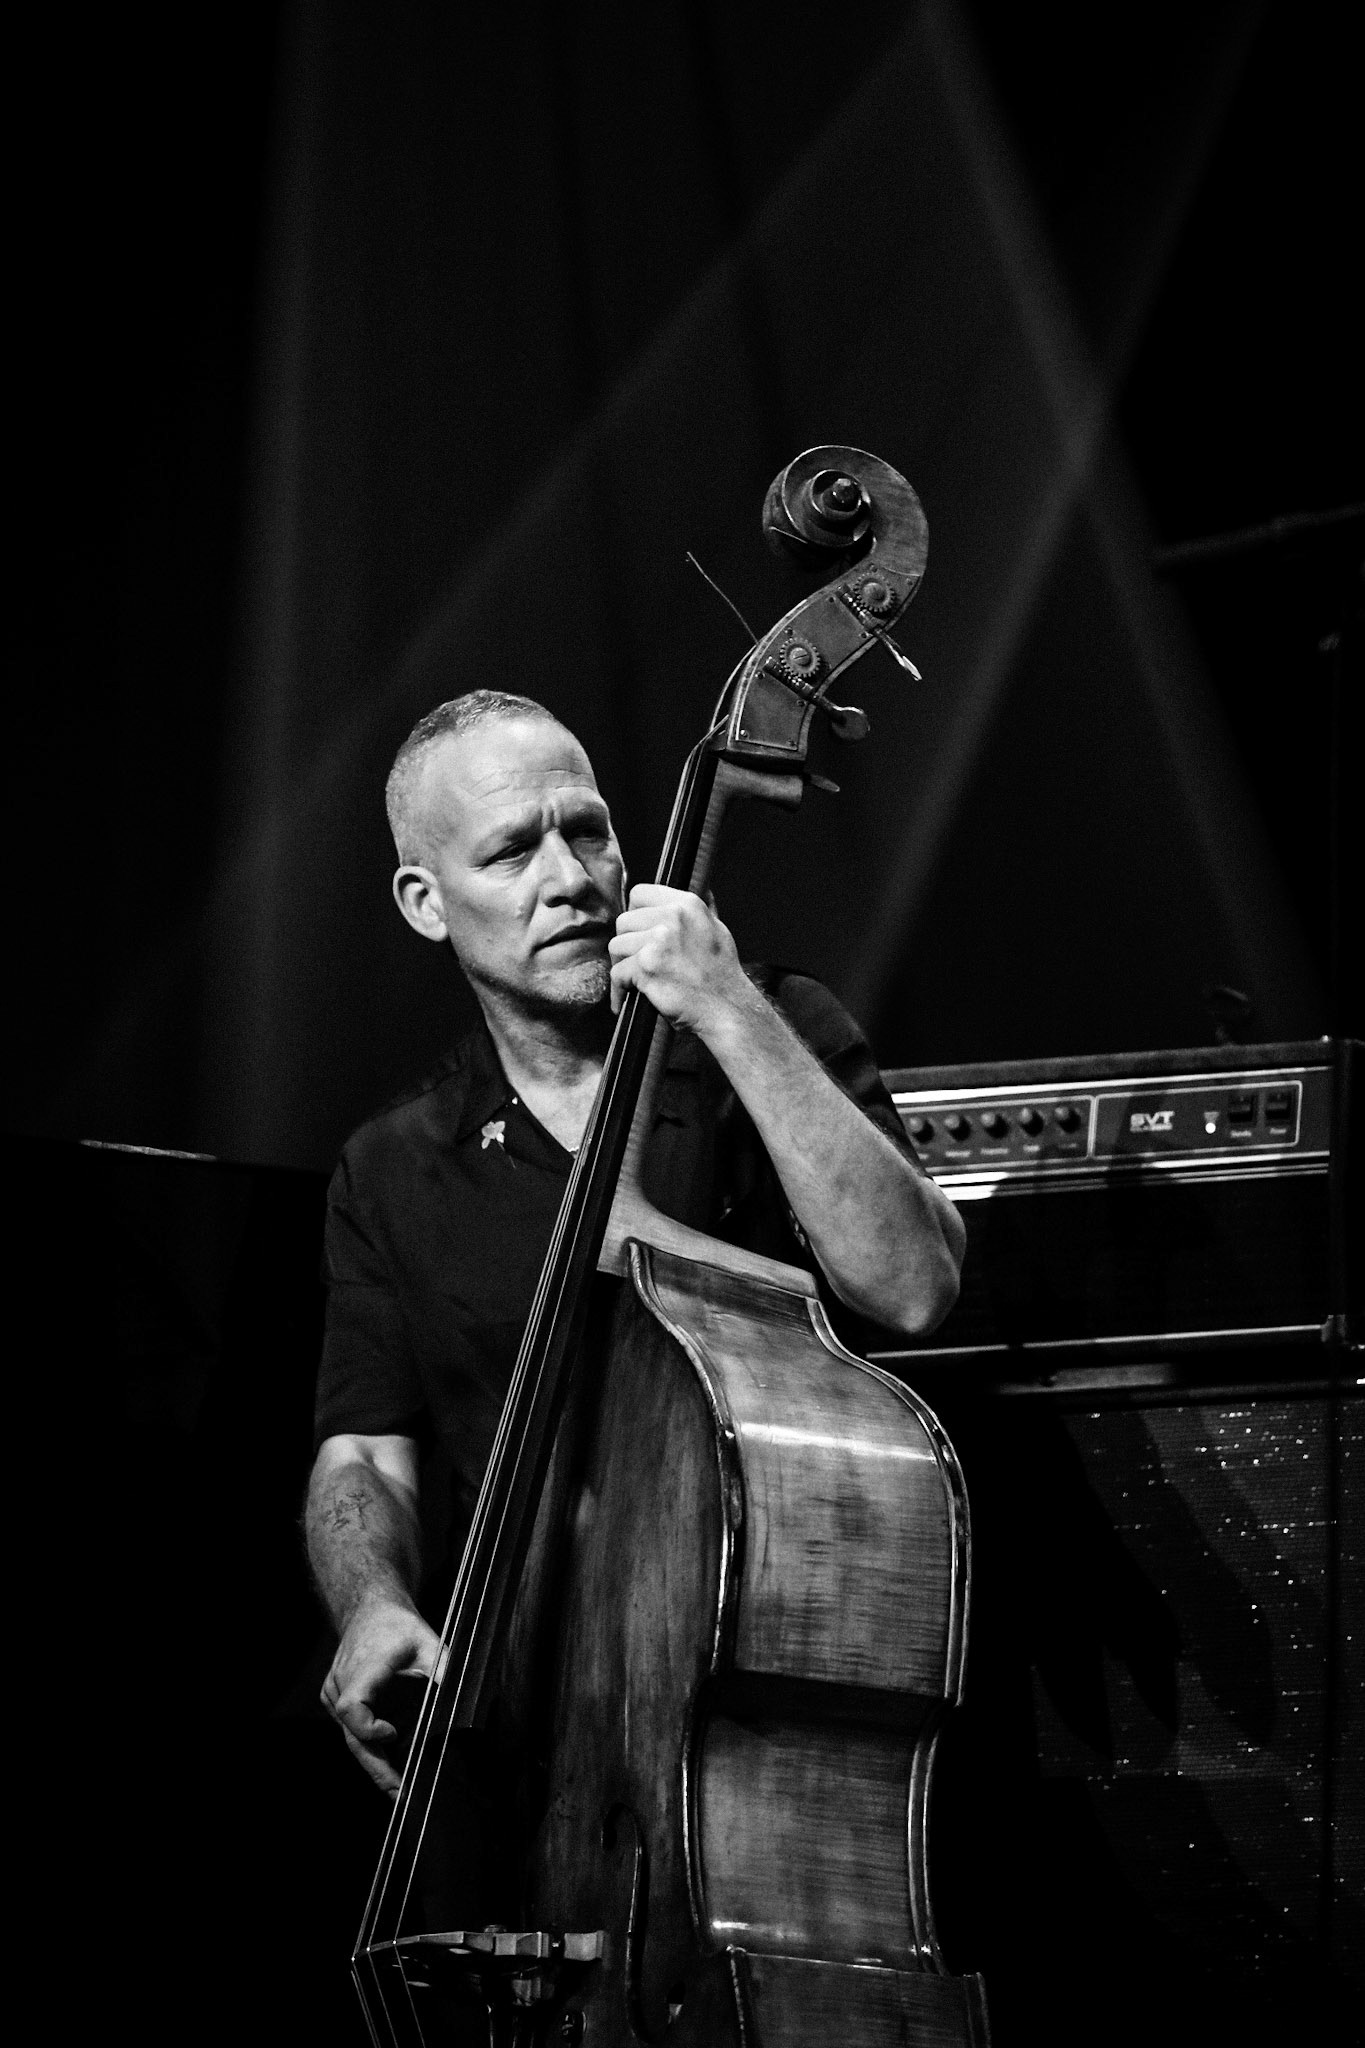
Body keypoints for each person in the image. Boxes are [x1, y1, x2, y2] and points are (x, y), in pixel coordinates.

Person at [306, 689, 965, 1794]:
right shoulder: (391, 1168)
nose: (570, 876)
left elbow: (913, 1286)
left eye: (590, 829)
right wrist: (372, 1599)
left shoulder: (771, 1026)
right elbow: (365, 1448)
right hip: (531, 1729)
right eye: (513, 850)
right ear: (425, 902)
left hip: (777, 1692)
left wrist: (727, 1009)